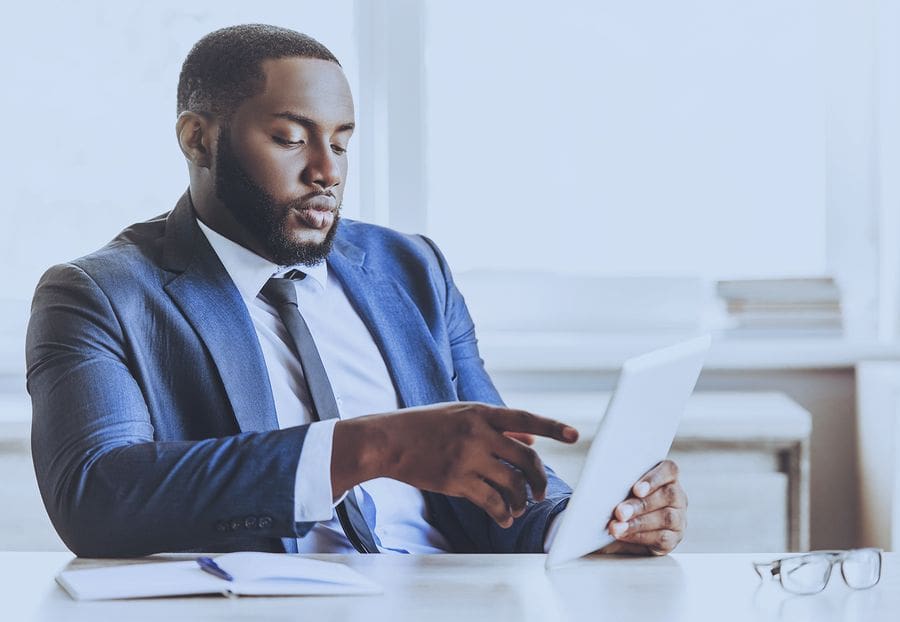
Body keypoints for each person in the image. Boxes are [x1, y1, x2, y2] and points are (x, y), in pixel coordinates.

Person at [26, 24, 687, 558]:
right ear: (198, 140)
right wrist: (369, 448)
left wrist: (593, 525)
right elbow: (96, 498)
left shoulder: (411, 268)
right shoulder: (99, 294)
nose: (325, 172)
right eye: (291, 138)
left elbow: (494, 479)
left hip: (452, 602)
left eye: (341, 145)